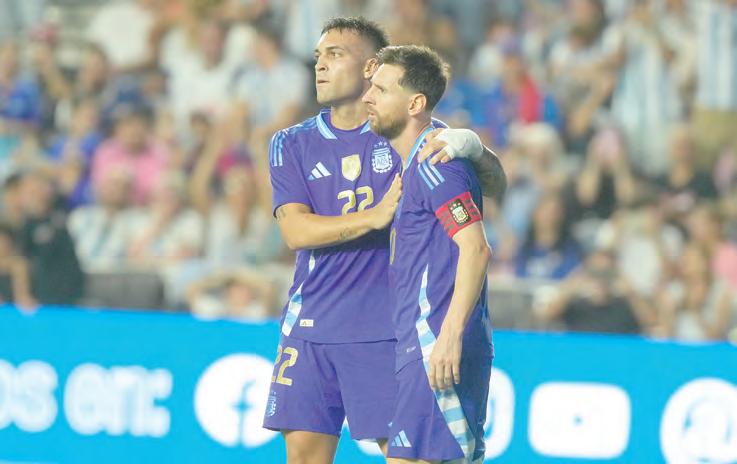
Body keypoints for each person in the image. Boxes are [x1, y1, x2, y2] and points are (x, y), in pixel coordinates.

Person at [263, 17, 505, 464]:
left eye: (335, 54)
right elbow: (295, 232)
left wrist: (472, 144)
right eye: (318, 56)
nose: (320, 65)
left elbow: (488, 191)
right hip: (311, 323)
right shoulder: (291, 143)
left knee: (411, 454)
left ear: (371, 66)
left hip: (388, 330)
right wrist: (373, 216)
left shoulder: (413, 135)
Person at [362, 45, 493, 463]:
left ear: (415, 103)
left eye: (381, 89)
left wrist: (449, 335)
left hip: (436, 343)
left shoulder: (437, 161)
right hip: (419, 344)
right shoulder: (417, 160)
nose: (368, 97)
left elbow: (476, 247)